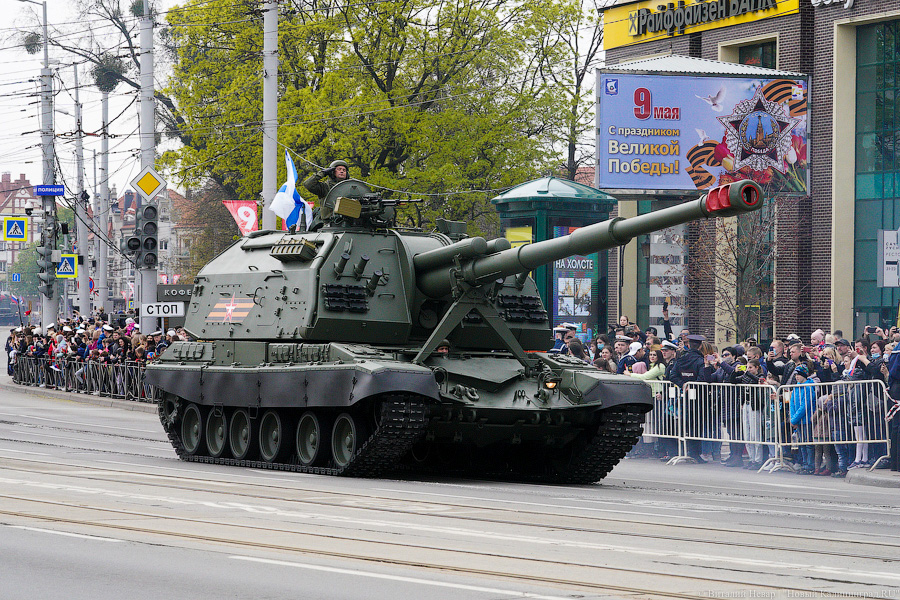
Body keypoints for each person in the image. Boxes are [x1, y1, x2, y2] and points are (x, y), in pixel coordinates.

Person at [669, 333, 714, 462]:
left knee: (688, 425)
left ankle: (690, 451)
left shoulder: (682, 359)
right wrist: (689, 385)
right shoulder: (700, 361)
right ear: (700, 346)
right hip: (700, 398)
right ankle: (695, 452)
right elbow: (702, 379)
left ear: (689, 345)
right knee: (697, 426)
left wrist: (684, 385)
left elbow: (673, 376)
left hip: (685, 397)